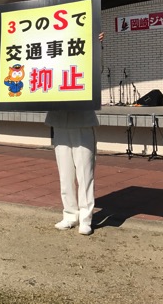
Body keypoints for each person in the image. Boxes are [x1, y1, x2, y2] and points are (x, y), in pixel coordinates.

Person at [45, 32, 104, 236]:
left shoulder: (82, 49)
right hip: (59, 120)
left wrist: (97, 47)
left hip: (82, 120)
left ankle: (86, 218)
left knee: (85, 172)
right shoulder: (50, 51)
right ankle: (70, 214)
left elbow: (97, 70)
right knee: (65, 173)